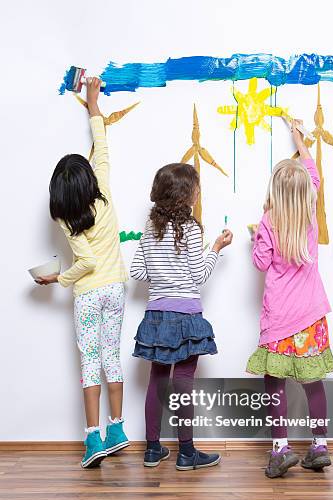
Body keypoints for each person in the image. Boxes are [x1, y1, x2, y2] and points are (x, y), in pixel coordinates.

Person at [37, 78, 129, 468]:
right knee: (113, 357)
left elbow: (85, 263)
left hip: (89, 293)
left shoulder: (66, 216)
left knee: (90, 362)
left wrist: (57, 279)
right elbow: (102, 142)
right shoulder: (103, 187)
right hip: (117, 289)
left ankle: (93, 439)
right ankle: (118, 428)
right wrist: (93, 102)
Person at [247, 120, 333, 479]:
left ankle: (281, 449)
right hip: (312, 317)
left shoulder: (270, 220)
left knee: (274, 385)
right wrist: (300, 141)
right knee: (313, 383)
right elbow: (313, 174)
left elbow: (260, 263)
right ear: (306, 195)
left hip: (280, 320)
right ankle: (319, 446)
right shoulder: (311, 218)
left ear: (275, 193)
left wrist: (256, 235)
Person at [131, 162, 232, 470]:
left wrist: (162, 275)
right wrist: (215, 247)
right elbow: (199, 275)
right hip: (186, 315)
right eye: (196, 188)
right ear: (185, 195)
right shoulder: (189, 230)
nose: (199, 192)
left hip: (157, 316)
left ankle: (152, 450)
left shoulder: (149, 230)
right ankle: (186, 452)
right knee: (183, 381)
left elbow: (136, 271)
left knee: (157, 381)